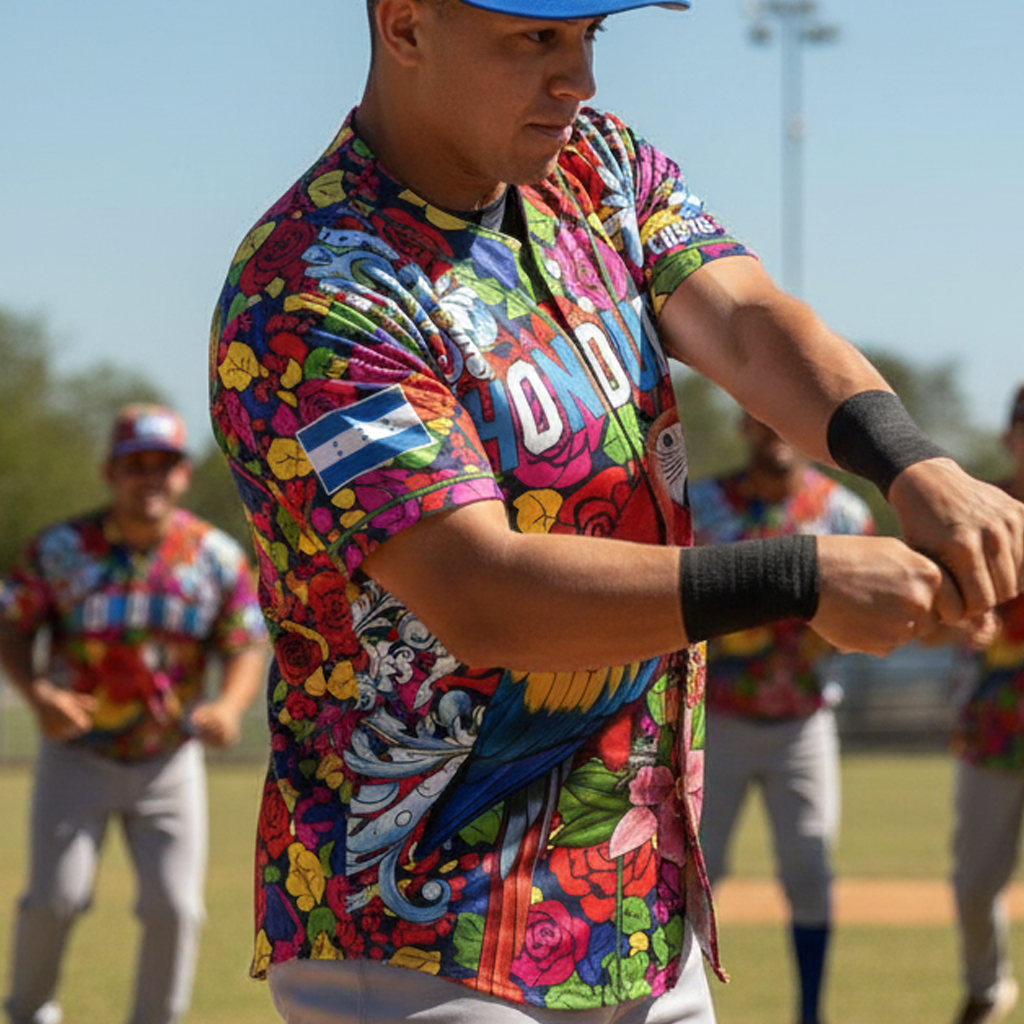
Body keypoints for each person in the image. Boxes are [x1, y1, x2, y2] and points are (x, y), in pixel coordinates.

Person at [208, 2, 1024, 1021]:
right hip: (425, 930)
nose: (577, 80)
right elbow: (483, 592)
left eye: (590, 35)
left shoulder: (595, 165)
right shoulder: (313, 283)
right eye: (534, 39)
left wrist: (914, 466)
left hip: (634, 915)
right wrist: (801, 576)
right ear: (405, 25)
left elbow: (744, 319)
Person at [0, 403, 268, 1024]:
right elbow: (11, 626)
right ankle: (29, 1011)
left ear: (183, 473)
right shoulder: (63, 550)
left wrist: (228, 706)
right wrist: (39, 693)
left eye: (164, 465)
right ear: (110, 472)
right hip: (78, 751)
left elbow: (243, 641)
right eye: (135, 465)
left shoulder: (215, 557)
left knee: (176, 907)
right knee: (56, 898)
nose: (150, 478)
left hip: (168, 758)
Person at [690, 415, 874, 1024]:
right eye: (760, 417)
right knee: (698, 873)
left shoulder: (841, 513)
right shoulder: (703, 506)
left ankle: (812, 1013)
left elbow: (872, 611)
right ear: (742, 423)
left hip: (804, 719)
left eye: (786, 418)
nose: (777, 429)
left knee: (810, 869)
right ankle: (672, 1003)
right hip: (715, 720)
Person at [948, 382, 1024, 1024]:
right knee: (974, 883)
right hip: (996, 725)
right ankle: (988, 988)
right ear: (1010, 438)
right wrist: (958, 624)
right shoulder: (980, 514)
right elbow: (936, 611)